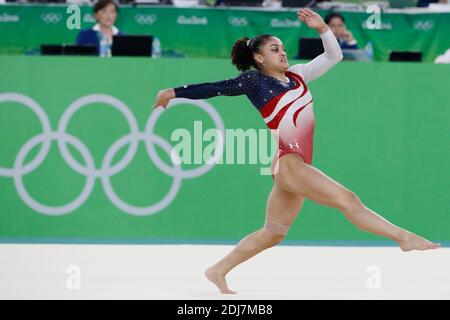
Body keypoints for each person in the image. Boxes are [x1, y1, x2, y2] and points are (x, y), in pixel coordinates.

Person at [151, 9, 441, 294]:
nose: (283, 53)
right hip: (289, 163)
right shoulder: (255, 81)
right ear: (259, 57)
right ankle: (403, 238)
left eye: (283, 48)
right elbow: (216, 88)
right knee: (348, 200)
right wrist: (173, 92)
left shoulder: (298, 75)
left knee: (273, 233)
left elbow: (333, 56)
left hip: (293, 165)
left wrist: (322, 29)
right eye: (274, 49)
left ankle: (217, 270)